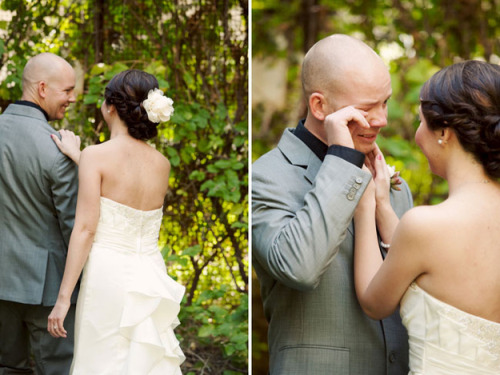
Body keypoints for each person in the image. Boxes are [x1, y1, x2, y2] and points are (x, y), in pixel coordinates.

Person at [252, 34, 413, 374]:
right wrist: (343, 162)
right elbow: (299, 267)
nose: (381, 119)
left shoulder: (392, 184)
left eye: (385, 102)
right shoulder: (265, 177)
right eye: (367, 109)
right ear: (320, 107)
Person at [354, 60, 500, 374]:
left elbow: (373, 301)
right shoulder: (426, 232)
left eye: (421, 122)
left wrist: (365, 206)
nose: (418, 134)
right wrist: (384, 203)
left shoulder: (426, 226)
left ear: (444, 132)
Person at [47, 69, 185, 374]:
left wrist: (63, 299)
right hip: (148, 272)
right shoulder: (162, 165)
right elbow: (123, 186)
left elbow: (85, 229)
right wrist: (79, 155)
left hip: (107, 276)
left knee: (102, 360)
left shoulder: (97, 157)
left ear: (110, 106)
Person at [0, 53, 78, 374]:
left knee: (7, 367)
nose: (72, 98)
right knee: (55, 369)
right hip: (46, 288)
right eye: (67, 91)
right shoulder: (56, 148)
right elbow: (74, 226)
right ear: (43, 89)